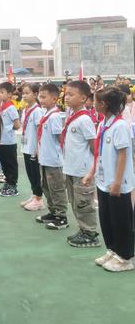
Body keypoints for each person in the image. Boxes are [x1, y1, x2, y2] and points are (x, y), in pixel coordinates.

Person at [83, 86, 135, 271]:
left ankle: (126, 257)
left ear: (103, 104)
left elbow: (123, 155)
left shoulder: (120, 126)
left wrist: (118, 183)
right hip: (104, 181)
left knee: (121, 220)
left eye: (95, 101)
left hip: (117, 183)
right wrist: (91, 173)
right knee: (107, 218)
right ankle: (113, 249)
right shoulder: (104, 124)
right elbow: (98, 153)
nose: (93, 104)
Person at [61, 81, 99, 247]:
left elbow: (93, 146)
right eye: (66, 94)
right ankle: (83, 230)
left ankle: (90, 234)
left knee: (84, 203)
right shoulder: (71, 115)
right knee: (75, 202)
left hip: (82, 170)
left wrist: (92, 170)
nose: (66, 97)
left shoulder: (84, 119)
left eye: (71, 94)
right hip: (71, 167)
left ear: (83, 98)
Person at [35, 84, 69, 230]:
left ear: (54, 98)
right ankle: (53, 212)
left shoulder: (55, 116)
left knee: (56, 188)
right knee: (47, 187)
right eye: (40, 96)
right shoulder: (46, 114)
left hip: (54, 160)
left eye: (44, 97)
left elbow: (60, 137)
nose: (40, 99)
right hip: (45, 158)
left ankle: (62, 217)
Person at [20, 84, 45, 211]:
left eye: (27, 93)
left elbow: (40, 131)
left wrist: (38, 148)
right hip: (26, 146)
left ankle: (39, 200)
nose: (24, 95)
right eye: (23, 93)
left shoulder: (37, 111)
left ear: (35, 95)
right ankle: (35, 194)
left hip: (33, 148)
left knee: (35, 174)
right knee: (29, 172)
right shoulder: (25, 110)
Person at [0, 82, 21, 197]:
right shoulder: (2, 107)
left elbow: (17, 125)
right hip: (2, 141)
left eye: (2, 92)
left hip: (9, 142)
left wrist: (6, 128)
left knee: (11, 165)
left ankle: (13, 186)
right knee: (4, 164)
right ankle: (7, 183)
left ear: (10, 94)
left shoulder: (11, 108)